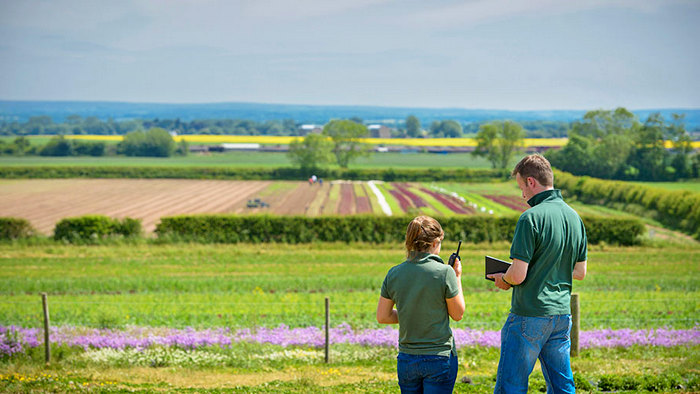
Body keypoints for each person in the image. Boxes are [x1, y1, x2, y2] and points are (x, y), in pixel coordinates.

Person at [487, 154, 587, 394]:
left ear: (531, 182)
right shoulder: (575, 217)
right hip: (562, 315)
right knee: (562, 386)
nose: (522, 194)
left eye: (521, 187)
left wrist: (503, 278)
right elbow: (580, 272)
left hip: (529, 313)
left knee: (512, 386)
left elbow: (518, 275)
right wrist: (548, 269)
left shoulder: (530, 218)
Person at [377, 216, 466, 393]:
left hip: (407, 358)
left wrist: (409, 312)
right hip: (439, 357)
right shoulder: (445, 272)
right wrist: (457, 277)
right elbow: (457, 314)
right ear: (434, 243)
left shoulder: (394, 273)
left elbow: (383, 316)